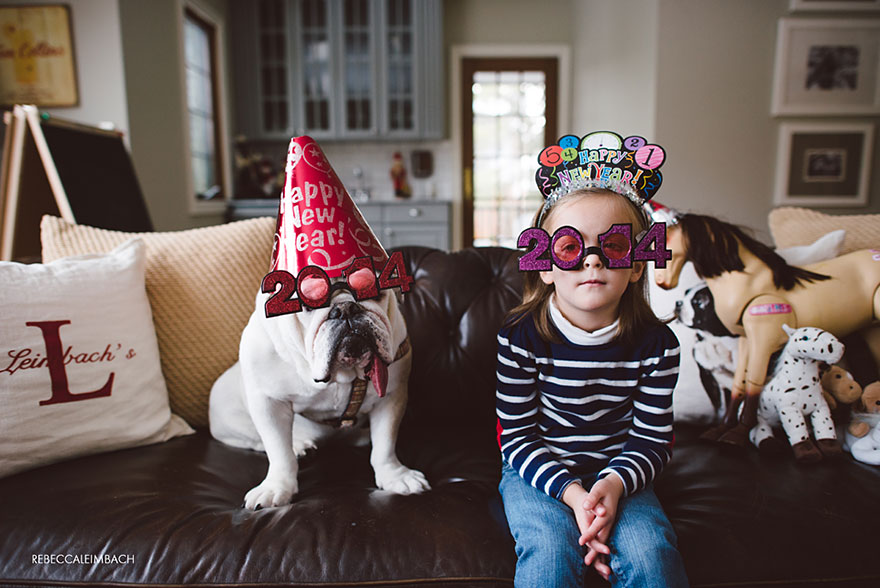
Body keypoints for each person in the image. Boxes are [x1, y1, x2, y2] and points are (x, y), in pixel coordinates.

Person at [496, 185, 689, 587]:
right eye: (570, 247)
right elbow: (516, 438)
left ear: (637, 265)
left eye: (614, 245)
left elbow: (653, 440)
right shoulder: (519, 339)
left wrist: (613, 486)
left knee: (650, 553)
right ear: (545, 266)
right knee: (549, 550)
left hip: (621, 473)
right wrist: (575, 497)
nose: (593, 259)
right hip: (538, 473)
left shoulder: (658, 347)